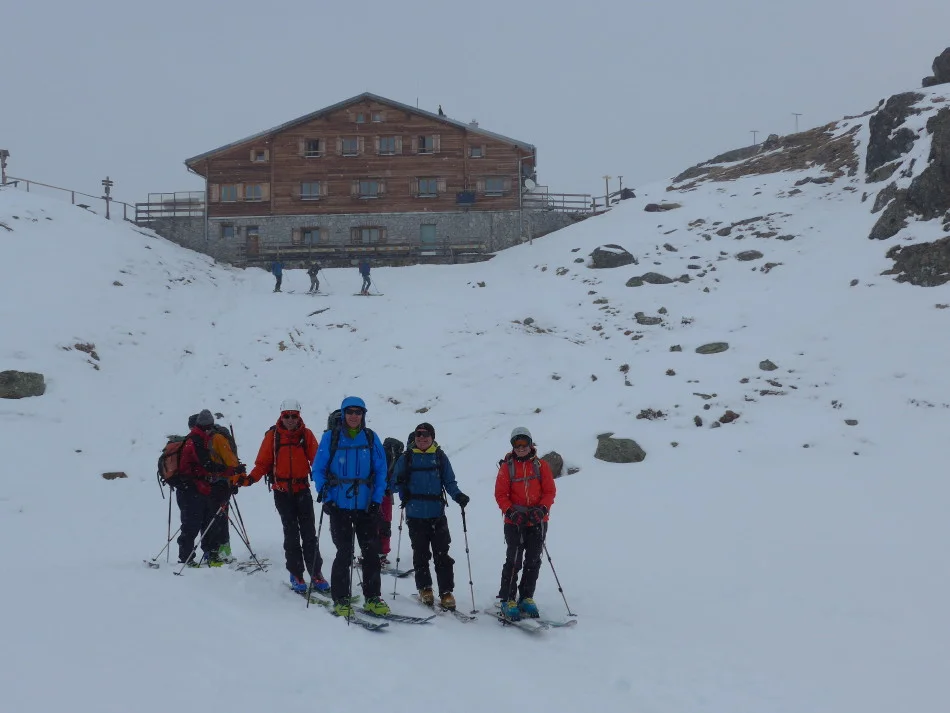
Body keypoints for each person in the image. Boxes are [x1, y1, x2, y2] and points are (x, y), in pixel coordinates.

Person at [311, 397, 391, 617]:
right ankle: (341, 599)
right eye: (350, 412)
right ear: (344, 414)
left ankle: (373, 597)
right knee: (344, 553)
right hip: (339, 505)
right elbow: (318, 469)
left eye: (358, 412)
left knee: (371, 553)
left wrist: (376, 500)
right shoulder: (331, 437)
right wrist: (326, 496)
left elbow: (381, 470)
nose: (354, 416)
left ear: (363, 415)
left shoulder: (371, 437)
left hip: (365, 505)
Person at [238, 399, 329, 593]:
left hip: (302, 490)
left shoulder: (306, 435)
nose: (290, 419)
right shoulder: (272, 437)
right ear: (281, 416)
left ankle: (316, 572)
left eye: (293, 416)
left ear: (299, 416)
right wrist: (249, 479)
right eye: (286, 416)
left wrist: (329, 480)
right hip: (281, 492)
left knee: (309, 533)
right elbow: (263, 463)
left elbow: (318, 461)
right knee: (291, 534)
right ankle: (296, 573)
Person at [392, 422, 468, 610]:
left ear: (432, 437)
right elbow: (392, 484)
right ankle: (425, 588)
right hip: (415, 514)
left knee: (442, 554)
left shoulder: (440, 457)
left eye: (426, 435)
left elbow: (449, 481)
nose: (422, 438)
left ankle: (446, 592)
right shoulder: (406, 458)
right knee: (421, 553)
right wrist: (399, 483)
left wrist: (458, 495)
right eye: (419, 435)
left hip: (436, 514)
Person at [494, 426, 555, 620]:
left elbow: (549, 491)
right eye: (516, 444)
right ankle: (507, 598)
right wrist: (511, 512)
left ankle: (526, 597)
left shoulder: (541, 465)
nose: (520, 448)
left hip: (538, 520)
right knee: (514, 560)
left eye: (524, 443)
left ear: (530, 444)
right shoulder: (507, 467)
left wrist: (542, 509)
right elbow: (500, 495)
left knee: (533, 560)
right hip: (515, 521)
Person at [176, 410, 240, 566]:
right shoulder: (196, 440)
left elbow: (206, 465)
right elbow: (206, 464)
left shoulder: (201, 439)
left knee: (206, 520)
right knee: (193, 523)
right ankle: (186, 558)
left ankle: (210, 554)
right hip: (190, 488)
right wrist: (230, 472)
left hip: (201, 487)